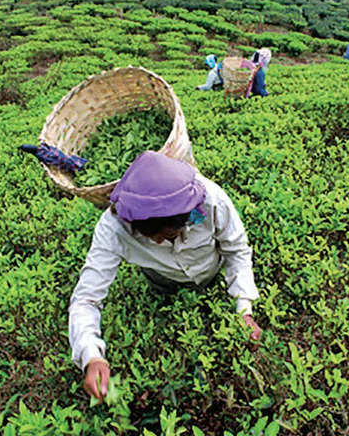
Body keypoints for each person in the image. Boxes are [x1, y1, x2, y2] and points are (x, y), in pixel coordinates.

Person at [69, 151, 262, 401]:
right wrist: (91, 355)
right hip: (163, 286)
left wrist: (244, 309)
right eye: (151, 239)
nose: (161, 242)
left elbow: (236, 250)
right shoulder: (113, 227)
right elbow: (86, 299)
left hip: (214, 274)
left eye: (169, 236)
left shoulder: (211, 199)